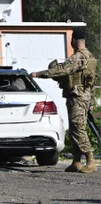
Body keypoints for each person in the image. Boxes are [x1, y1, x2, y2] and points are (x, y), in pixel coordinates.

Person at [30, 27, 97, 173]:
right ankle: (77, 161)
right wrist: (91, 101)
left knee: (77, 128)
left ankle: (90, 159)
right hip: (84, 96)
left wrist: (39, 74)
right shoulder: (91, 57)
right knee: (75, 129)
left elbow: (62, 70)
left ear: (73, 40)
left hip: (77, 96)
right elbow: (92, 82)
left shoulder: (78, 57)